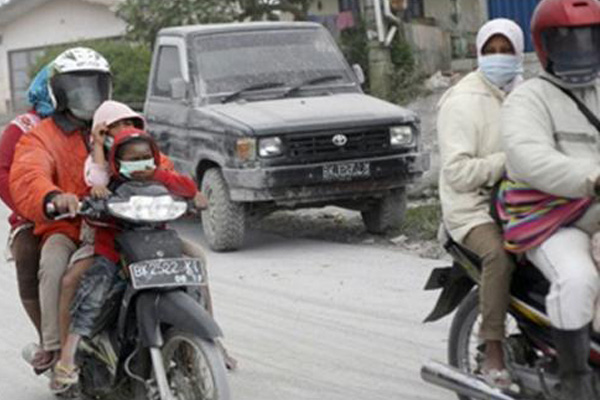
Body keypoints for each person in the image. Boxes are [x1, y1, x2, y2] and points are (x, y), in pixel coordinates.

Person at [498, 0, 600, 398]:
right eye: (569, 41)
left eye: (590, 38)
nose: (581, 49)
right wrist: (590, 177)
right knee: (577, 280)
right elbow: (529, 158)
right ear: (545, 46)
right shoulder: (528, 99)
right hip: (553, 218)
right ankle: (576, 380)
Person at [51, 126, 201, 391]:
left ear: (155, 157)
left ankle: (202, 344)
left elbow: (187, 187)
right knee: (94, 293)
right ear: (116, 162)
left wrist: (196, 197)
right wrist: (94, 199)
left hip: (158, 248)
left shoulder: (162, 179)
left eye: (146, 157)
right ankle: (67, 358)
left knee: (193, 280)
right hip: (115, 252)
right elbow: (93, 188)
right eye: (132, 159)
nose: (141, 163)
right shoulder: (109, 184)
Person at [9, 47, 113, 368]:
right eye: (76, 87)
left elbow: (150, 156)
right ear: (58, 91)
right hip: (65, 226)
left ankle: (207, 342)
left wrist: (180, 187)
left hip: (118, 223)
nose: (86, 95)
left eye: (93, 85)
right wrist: (52, 197)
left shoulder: (117, 124)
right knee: (52, 266)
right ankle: (53, 347)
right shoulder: (39, 136)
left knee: (189, 255)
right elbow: (29, 173)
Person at [437, 18, 524, 389]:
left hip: (522, 203)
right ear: (479, 54)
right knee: (499, 256)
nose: (499, 58)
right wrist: (507, 161)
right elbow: (456, 172)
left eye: (506, 51)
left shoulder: (526, 94)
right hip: (471, 209)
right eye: (492, 51)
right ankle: (493, 350)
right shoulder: (461, 101)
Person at [0, 63, 56, 372]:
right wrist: (32, 207)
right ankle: (47, 341)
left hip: (85, 211)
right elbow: (3, 172)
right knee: (27, 258)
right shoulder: (23, 126)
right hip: (33, 214)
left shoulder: (95, 122)